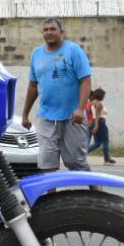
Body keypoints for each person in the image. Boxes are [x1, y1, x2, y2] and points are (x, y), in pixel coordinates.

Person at [20, 18, 93, 172]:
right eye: (46, 30)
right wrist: (25, 114)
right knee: (47, 164)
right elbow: (33, 86)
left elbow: (85, 81)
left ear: (61, 32)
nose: (49, 32)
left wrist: (80, 109)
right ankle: (52, 197)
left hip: (72, 118)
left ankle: (96, 195)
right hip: (46, 117)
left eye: (53, 29)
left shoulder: (74, 50)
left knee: (76, 163)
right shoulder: (36, 54)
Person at [85, 87, 115, 164]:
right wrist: (96, 126)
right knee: (105, 141)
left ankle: (82, 154)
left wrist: (91, 123)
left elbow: (90, 114)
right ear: (100, 95)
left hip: (95, 121)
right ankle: (107, 159)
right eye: (103, 95)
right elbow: (97, 116)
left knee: (97, 143)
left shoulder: (91, 103)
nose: (104, 97)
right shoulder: (99, 104)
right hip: (100, 122)